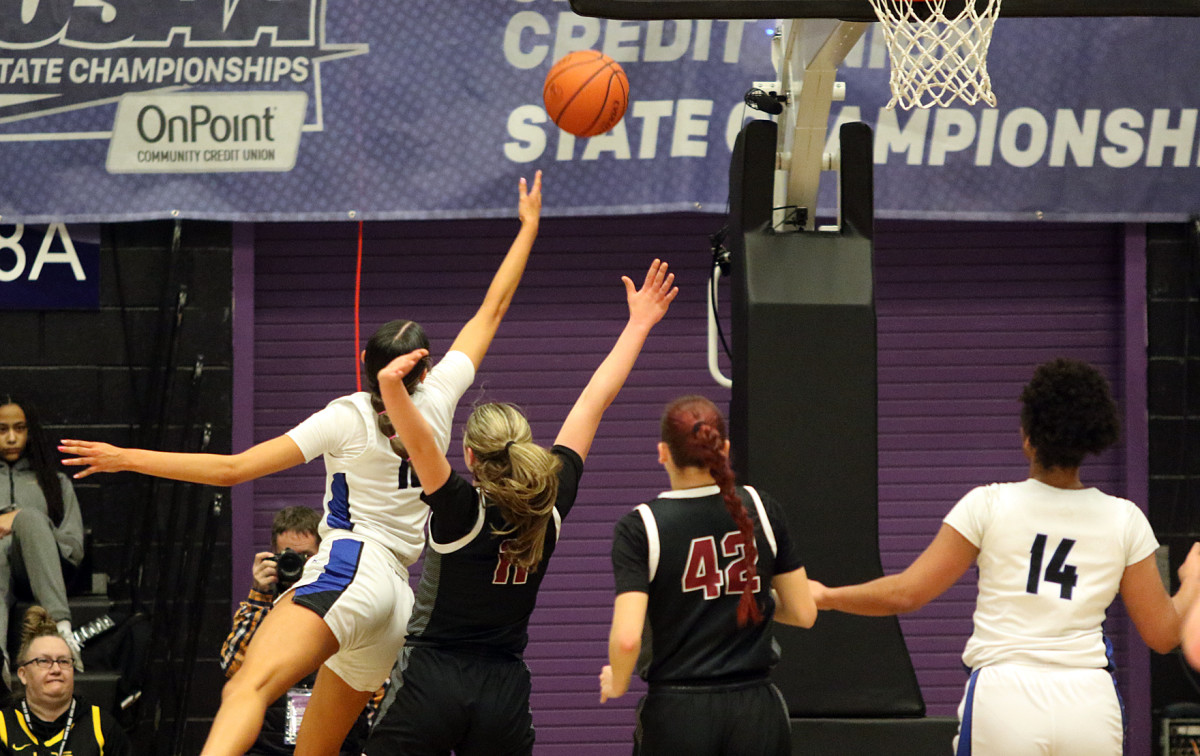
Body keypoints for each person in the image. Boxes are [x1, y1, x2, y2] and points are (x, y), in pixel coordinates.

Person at [58, 171, 543, 756]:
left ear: (366, 361)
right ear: (423, 365)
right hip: (398, 602)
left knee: (246, 687)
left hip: (353, 566)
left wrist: (126, 456)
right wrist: (528, 228)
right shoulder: (440, 399)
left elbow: (234, 470)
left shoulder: (346, 415)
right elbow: (492, 310)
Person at [809, 357, 1200, 756]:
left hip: (1005, 698)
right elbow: (1164, 635)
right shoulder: (1125, 518)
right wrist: (1193, 583)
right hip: (1089, 702)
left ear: (1028, 436)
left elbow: (906, 594)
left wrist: (826, 596)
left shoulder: (988, 504)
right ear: (1091, 440)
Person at [364, 258, 677, 756]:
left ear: (468, 455)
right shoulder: (550, 502)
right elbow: (594, 400)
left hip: (432, 677)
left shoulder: (462, 510)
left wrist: (389, 389)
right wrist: (639, 324)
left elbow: (420, 444)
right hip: (502, 688)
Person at [599, 394, 817, 756]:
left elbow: (626, 640)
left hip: (679, 713)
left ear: (663, 452)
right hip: (755, 712)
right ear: (725, 448)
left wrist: (618, 682)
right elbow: (804, 612)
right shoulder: (761, 508)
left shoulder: (641, 527)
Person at [220, 505, 381, 755]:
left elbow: (377, 689)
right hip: (267, 749)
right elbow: (233, 666)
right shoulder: (262, 607)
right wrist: (259, 597)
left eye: (306, 557)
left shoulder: (349, 606)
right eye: (287, 556)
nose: (296, 566)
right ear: (274, 556)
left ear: (323, 555)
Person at [0, 396, 85, 676]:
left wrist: (25, 523)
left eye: (20, 428)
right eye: (2, 430)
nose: (12, 438)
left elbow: (73, 547)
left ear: (30, 431)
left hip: (45, 573)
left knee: (29, 518)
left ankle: (61, 631)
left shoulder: (54, 482)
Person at [0, 605, 130, 755]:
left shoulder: (101, 726)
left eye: (63, 662)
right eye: (44, 661)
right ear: (23, 674)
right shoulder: (3, 727)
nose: (56, 669)